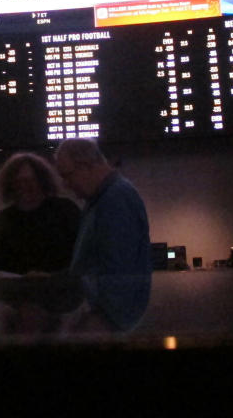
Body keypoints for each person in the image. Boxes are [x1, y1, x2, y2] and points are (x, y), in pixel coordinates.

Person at [54, 138, 151, 330]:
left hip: (111, 322)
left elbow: (119, 274)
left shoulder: (115, 199)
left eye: (66, 176)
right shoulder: (101, 199)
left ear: (86, 166)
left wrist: (102, 322)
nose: (65, 185)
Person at [0, 152, 81, 275]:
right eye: (17, 182)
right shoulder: (2, 220)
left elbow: (85, 257)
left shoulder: (66, 211)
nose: (23, 186)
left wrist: (51, 277)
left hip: (63, 288)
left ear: (42, 181)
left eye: (29, 180)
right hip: (16, 291)